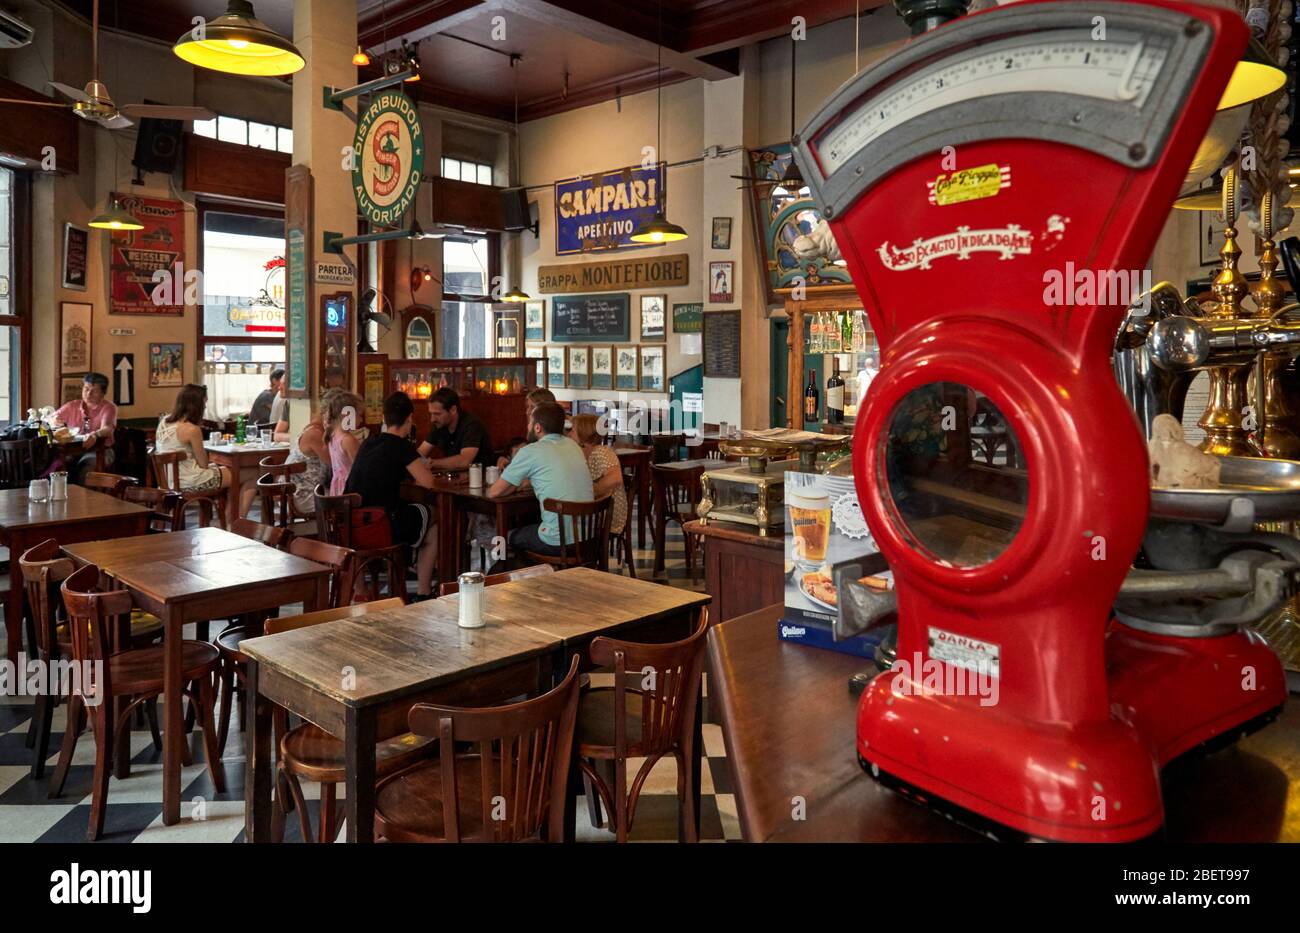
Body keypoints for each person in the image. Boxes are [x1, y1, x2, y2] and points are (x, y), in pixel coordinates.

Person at [345, 391, 438, 599]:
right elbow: (428, 482)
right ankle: (423, 592)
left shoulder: (369, 442)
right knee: (433, 523)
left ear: (384, 419)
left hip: (350, 524)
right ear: (409, 419)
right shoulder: (401, 446)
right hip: (379, 526)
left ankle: (362, 591)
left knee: (413, 513)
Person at [488, 401, 594, 563]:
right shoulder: (573, 446)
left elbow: (494, 492)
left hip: (558, 542)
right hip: (589, 537)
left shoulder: (530, 451)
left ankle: (509, 580)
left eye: (530, 422)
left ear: (537, 427)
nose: (528, 425)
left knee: (505, 538)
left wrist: (514, 486)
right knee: (533, 527)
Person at [155, 383, 234, 499]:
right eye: (205, 402)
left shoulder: (164, 421)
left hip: (168, 482)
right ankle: (231, 515)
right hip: (189, 482)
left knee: (222, 471)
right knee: (239, 475)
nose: (205, 407)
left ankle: (218, 515)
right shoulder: (192, 429)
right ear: (196, 405)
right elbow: (203, 464)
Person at [568, 413, 626, 538]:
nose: (568, 434)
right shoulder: (581, 454)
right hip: (594, 518)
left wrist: (586, 494)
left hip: (606, 521)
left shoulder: (601, 451)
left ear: (584, 433)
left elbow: (615, 479)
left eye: (572, 430)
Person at [52, 372, 117, 483]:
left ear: (103, 393)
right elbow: (51, 418)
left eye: (94, 391)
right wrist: (54, 421)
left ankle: (86, 499)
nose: (89, 393)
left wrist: (94, 435)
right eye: (86, 389)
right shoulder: (72, 405)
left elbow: (107, 428)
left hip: (101, 451)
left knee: (86, 468)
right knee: (58, 466)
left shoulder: (108, 407)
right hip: (72, 450)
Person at [279, 389, 332, 517]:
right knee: (350, 501)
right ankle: (329, 536)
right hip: (300, 496)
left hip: (298, 492)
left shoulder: (315, 429)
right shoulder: (315, 434)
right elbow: (336, 464)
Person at [417, 387, 495, 470]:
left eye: (437, 414)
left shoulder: (472, 425)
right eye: (431, 414)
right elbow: (420, 452)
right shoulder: (439, 424)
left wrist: (432, 463)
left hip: (480, 478)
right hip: (455, 478)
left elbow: (465, 461)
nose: (432, 419)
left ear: (453, 410)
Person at [495, 389, 556, 470]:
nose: (527, 412)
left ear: (544, 411)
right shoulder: (533, 434)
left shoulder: (553, 439)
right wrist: (504, 459)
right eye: (528, 407)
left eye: (532, 407)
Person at [326, 390, 365, 496]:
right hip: (349, 491)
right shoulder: (348, 440)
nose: (361, 420)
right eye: (359, 415)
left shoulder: (333, 435)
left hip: (337, 490)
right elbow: (360, 469)